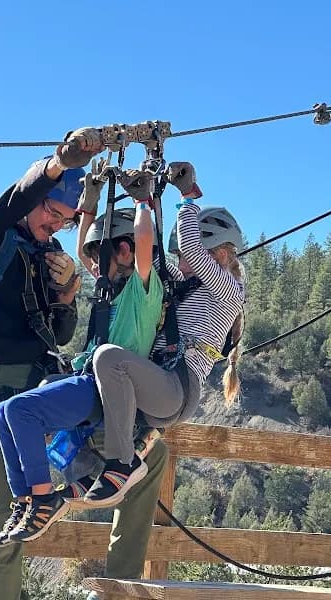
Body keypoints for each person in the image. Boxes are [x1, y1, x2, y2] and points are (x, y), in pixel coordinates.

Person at [0, 127, 103, 600]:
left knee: (110, 461)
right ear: (35, 199)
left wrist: (68, 293)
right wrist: (58, 165)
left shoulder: (46, 253)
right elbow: (14, 199)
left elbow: (58, 334)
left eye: (65, 220)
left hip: (39, 388)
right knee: (10, 508)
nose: (55, 226)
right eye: (52, 212)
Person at [0, 167, 165, 545]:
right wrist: (90, 201)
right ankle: (25, 501)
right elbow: (86, 247)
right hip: (91, 381)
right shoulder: (109, 290)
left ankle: (43, 501)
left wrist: (142, 201)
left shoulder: (142, 291)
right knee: (1, 413)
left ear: (123, 251)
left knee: (21, 411)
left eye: (101, 258)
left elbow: (144, 242)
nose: (93, 267)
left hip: (107, 388)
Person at [82, 161, 246, 507]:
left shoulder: (228, 289)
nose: (181, 262)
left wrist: (187, 197)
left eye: (185, 257)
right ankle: (86, 469)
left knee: (108, 358)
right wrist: (146, 201)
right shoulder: (186, 284)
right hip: (159, 380)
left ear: (219, 253)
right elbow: (149, 257)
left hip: (177, 386)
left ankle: (121, 465)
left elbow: (191, 250)